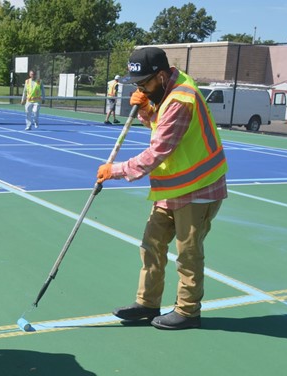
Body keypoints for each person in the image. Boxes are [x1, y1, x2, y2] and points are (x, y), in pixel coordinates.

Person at [97, 47, 228, 330]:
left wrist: (115, 171)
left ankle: (188, 312)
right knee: (152, 244)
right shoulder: (166, 91)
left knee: (188, 253)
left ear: (160, 76)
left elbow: (158, 151)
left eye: (144, 83)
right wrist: (146, 110)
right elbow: (158, 124)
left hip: (199, 186)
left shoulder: (181, 100)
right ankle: (147, 303)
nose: (141, 89)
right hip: (174, 186)